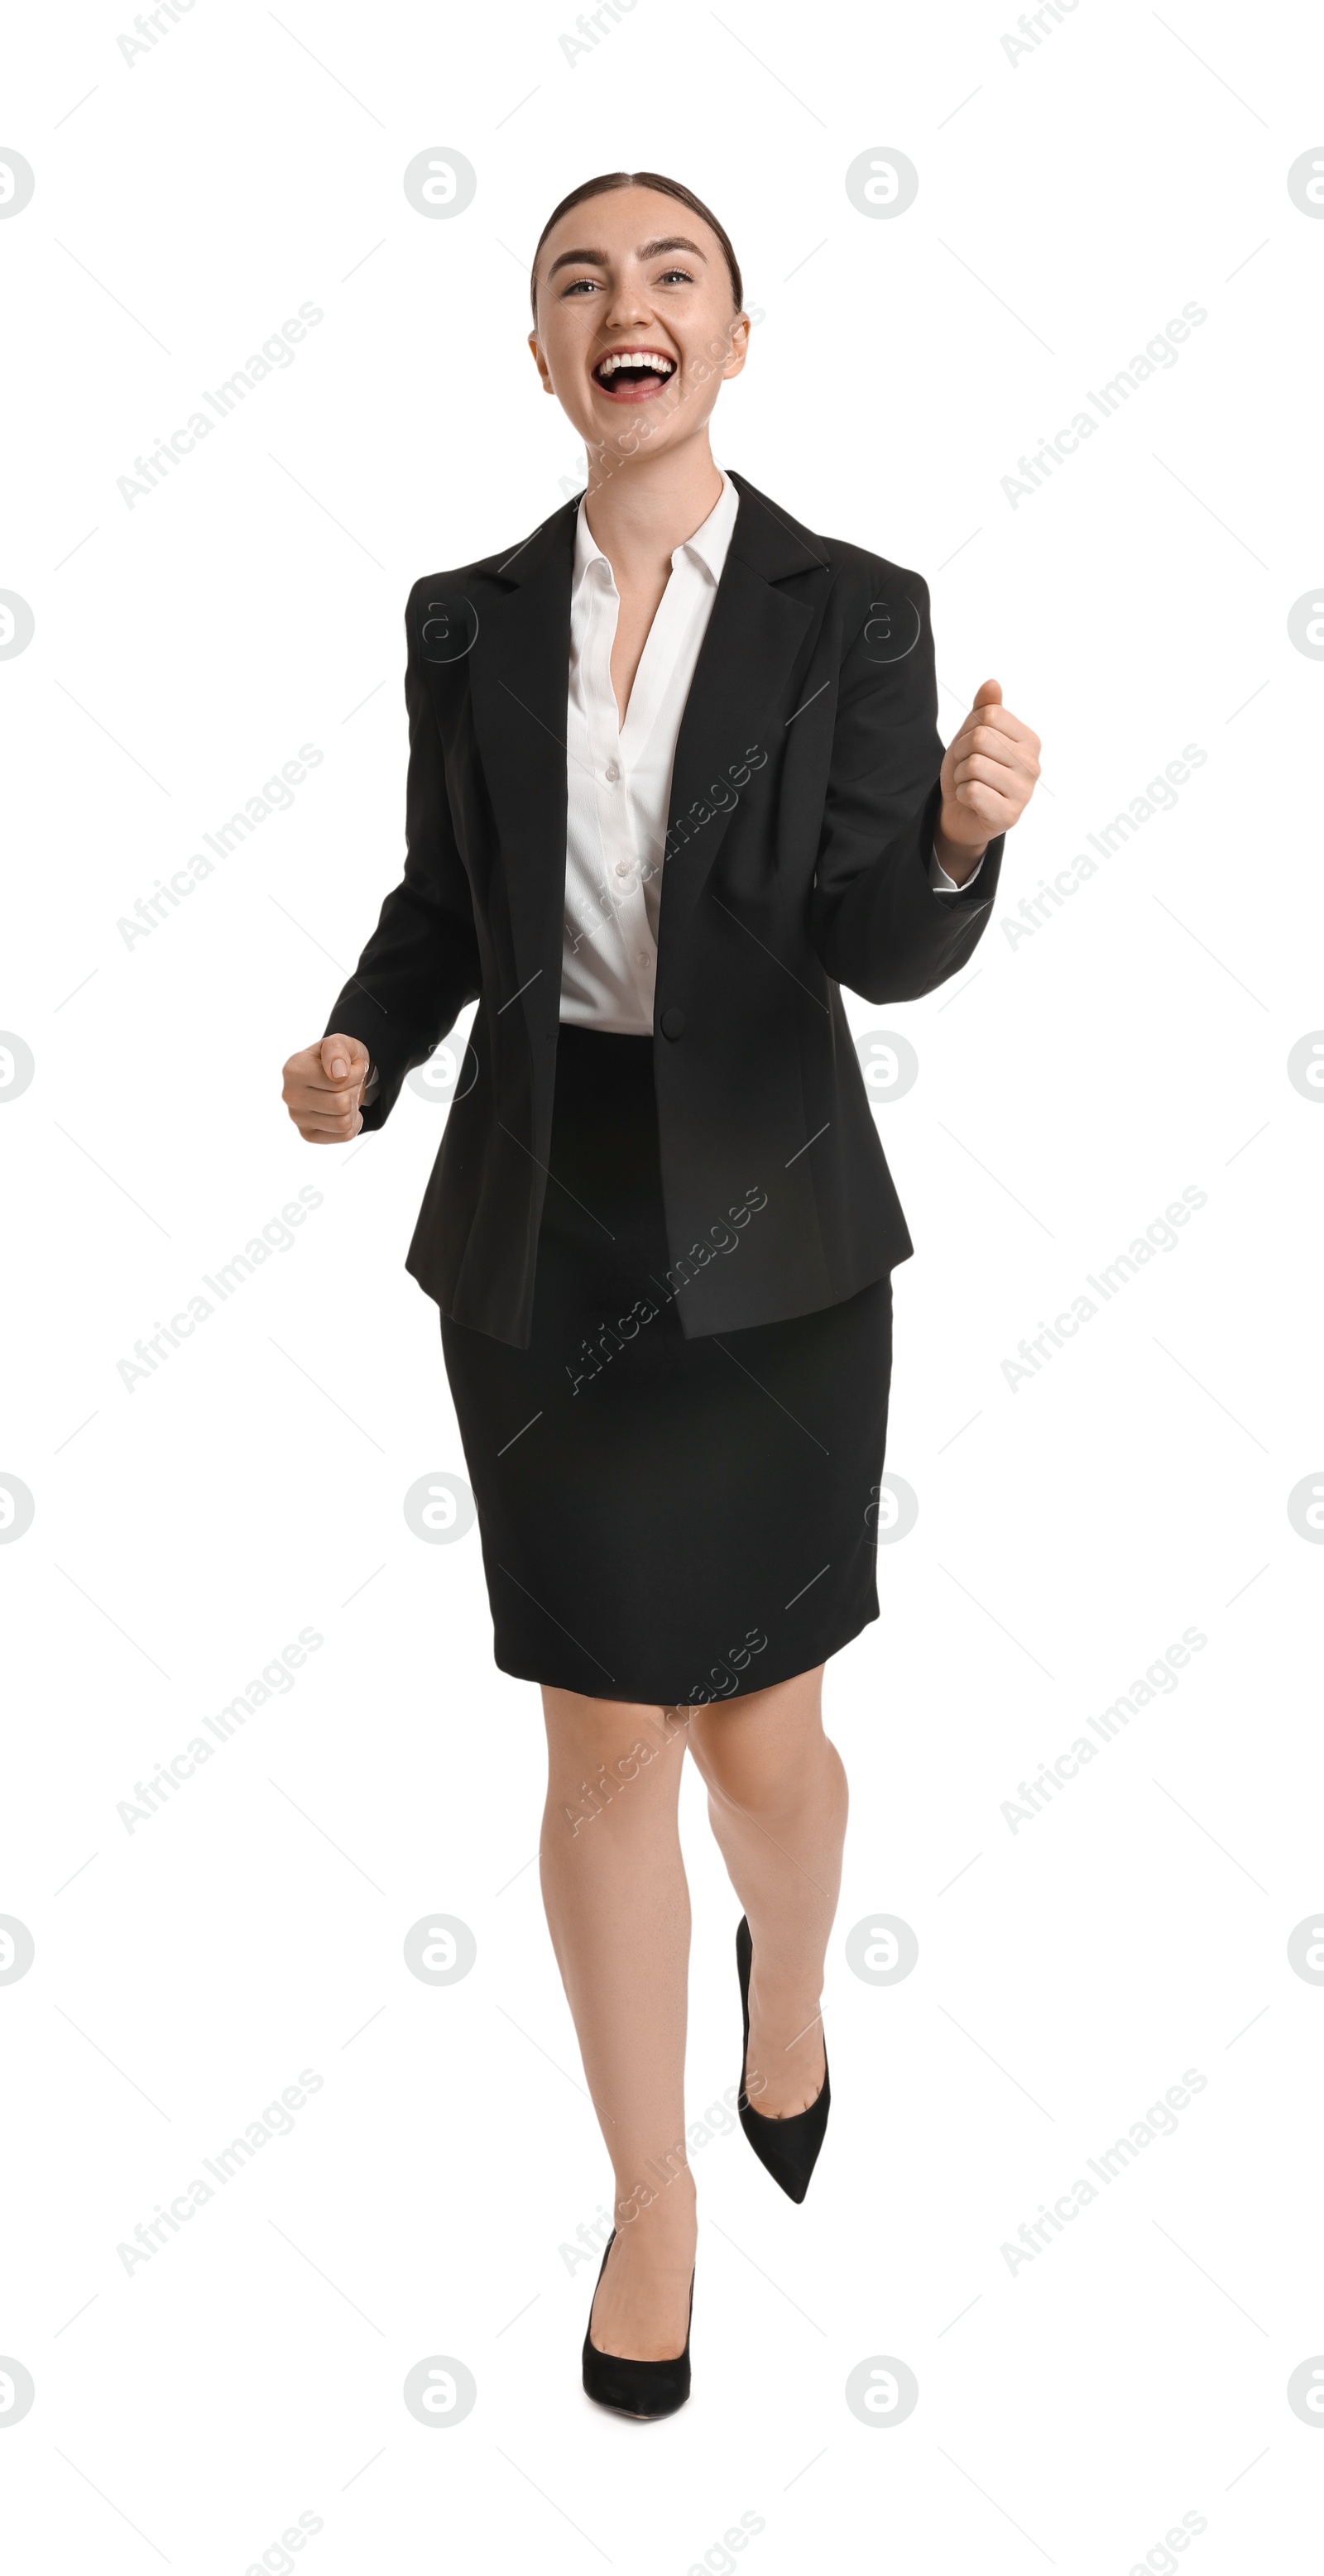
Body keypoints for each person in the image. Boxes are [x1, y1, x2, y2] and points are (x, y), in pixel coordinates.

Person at [281, 170, 1040, 2419]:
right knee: (604, 1731)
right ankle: (656, 2200)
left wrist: (962, 846)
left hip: (776, 1231)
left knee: (766, 1738)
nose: (627, 306)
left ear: (732, 332)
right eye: (577, 284)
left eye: (669, 274)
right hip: (538, 1222)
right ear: (541, 356)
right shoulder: (460, 616)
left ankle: (783, 2001)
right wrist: (366, 1040)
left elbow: (875, 944)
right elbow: (447, 895)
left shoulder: (854, 607)